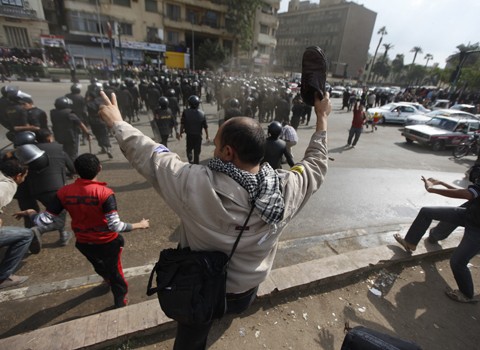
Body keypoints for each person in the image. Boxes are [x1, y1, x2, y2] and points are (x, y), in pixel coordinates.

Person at [97, 89, 331, 349]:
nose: (215, 151)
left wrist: (118, 123)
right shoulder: (286, 190)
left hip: (198, 290)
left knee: (191, 337)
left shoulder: (194, 183)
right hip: (245, 291)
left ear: (228, 152)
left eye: (217, 145)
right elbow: (316, 164)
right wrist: (322, 117)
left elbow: (151, 156)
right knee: (226, 312)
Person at [15, 153, 150, 308]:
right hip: (108, 242)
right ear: (100, 168)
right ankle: (120, 300)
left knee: (98, 265)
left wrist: (31, 212)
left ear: (76, 171)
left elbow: (43, 220)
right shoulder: (105, 193)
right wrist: (140, 225)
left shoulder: (64, 192)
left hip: (84, 243)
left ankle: (106, 279)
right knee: (115, 272)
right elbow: (115, 226)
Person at [393, 168, 480, 304]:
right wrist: (442, 183)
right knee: (426, 212)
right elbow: (472, 193)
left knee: (457, 262)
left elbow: (467, 194)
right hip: (470, 214)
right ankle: (410, 243)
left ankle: (467, 294)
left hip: (477, 228)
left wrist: (431, 189)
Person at [19, 129, 75, 246]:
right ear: (50, 138)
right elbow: (72, 168)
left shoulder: (28, 151)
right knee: (59, 216)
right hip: (55, 188)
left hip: (35, 190)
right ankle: (40, 232)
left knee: (54, 213)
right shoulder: (58, 149)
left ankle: (36, 234)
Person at [0, 158, 42, 289]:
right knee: (27, 235)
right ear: (18, 176)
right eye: (25, 176)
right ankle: (3, 277)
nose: (24, 178)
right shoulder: (7, 185)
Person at [180, 95, 209, 164]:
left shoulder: (185, 112)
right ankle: (196, 163)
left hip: (189, 135)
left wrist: (181, 132)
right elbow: (205, 126)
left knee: (189, 149)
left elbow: (182, 124)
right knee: (197, 151)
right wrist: (207, 135)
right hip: (198, 135)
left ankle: (190, 161)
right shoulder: (202, 113)